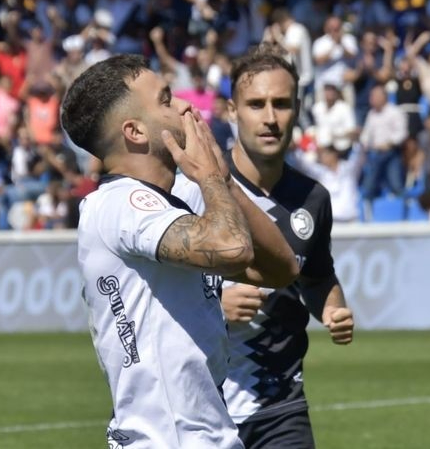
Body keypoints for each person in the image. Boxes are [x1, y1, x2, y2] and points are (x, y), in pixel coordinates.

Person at [60, 54, 298, 448]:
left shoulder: (181, 196)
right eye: (167, 100)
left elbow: (281, 269)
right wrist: (211, 178)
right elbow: (233, 249)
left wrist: (223, 181)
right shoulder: (118, 204)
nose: (187, 106)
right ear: (135, 131)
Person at [173, 46, 354, 448]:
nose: (270, 118)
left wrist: (332, 308)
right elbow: (152, 290)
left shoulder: (313, 199)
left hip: (280, 407)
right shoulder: (192, 191)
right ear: (232, 111)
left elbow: (317, 276)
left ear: (297, 110)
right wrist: (215, 303)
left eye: (281, 104)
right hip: (202, 408)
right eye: (256, 104)